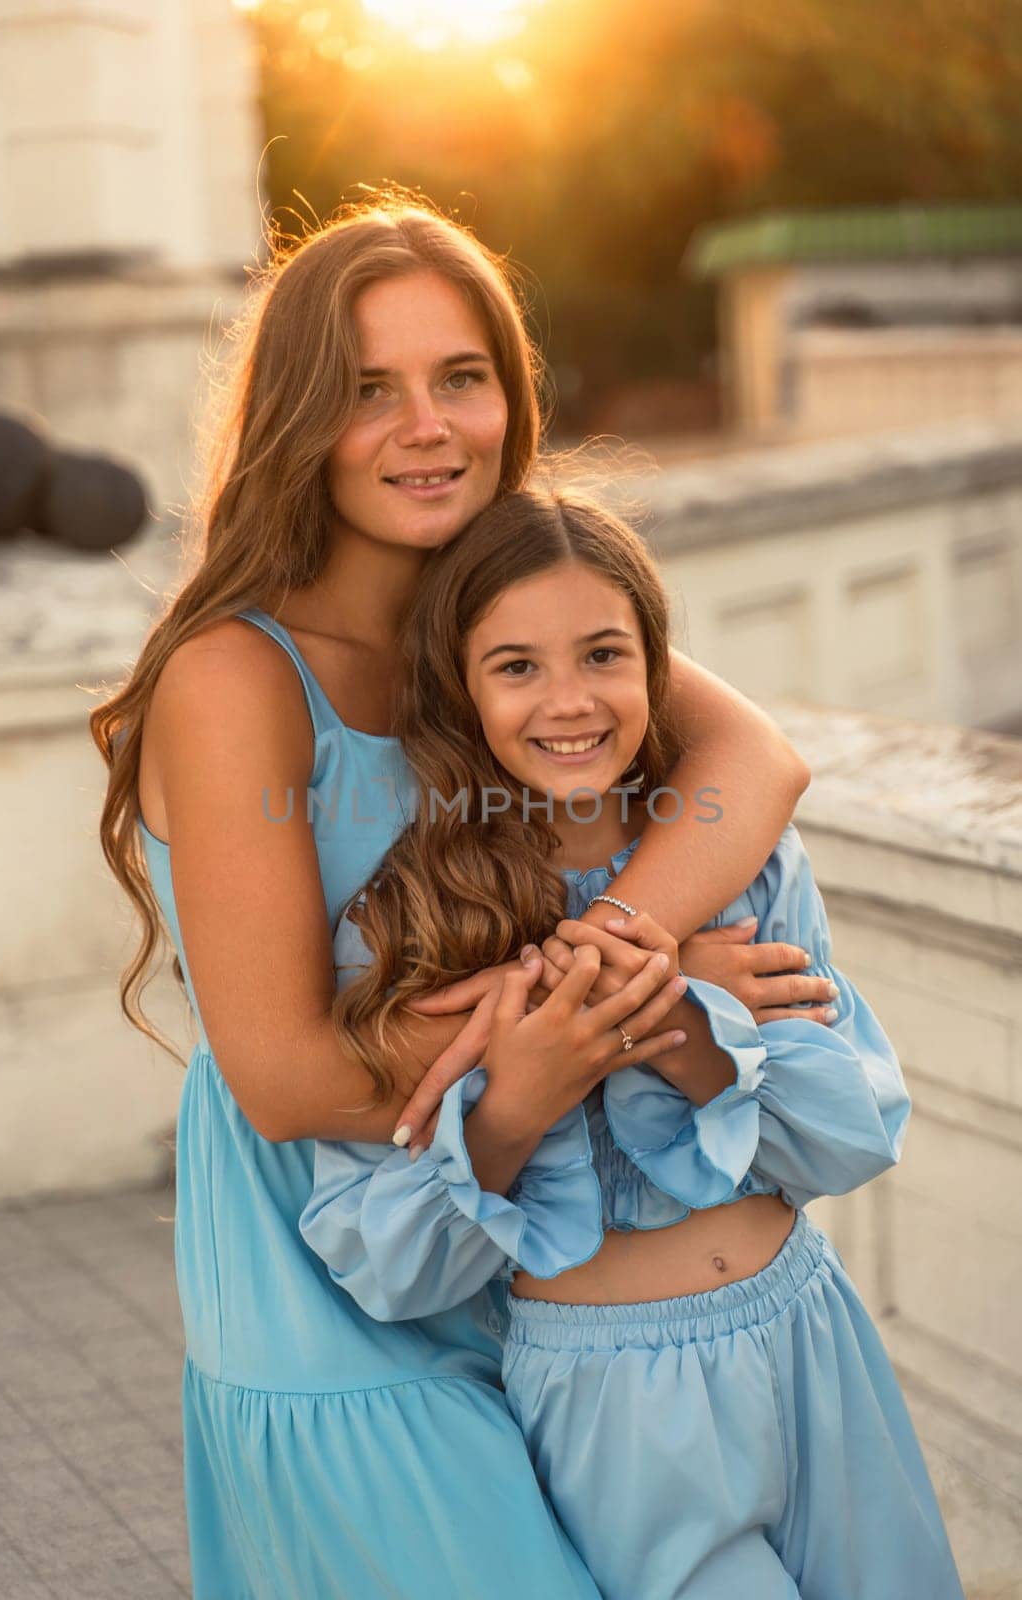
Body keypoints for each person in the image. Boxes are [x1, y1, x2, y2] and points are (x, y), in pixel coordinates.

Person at [91, 194, 816, 1598]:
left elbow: (753, 761)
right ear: (301, 416)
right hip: (324, 1292)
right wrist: (636, 1011)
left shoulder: (493, 616)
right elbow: (290, 1078)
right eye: (370, 390)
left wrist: (614, 958)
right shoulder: (235, 679)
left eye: (460, 377)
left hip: (516, 1246)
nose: (428, 425)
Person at [301, 490, 964, 1600]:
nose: (568, 701)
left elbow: (853, 1130)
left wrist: (676, 1024)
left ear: (656, 665)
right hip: (615, 1400)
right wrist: (520, 1095)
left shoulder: (739, 858)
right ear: (456, 688)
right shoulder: (409, 919)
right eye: (514, 665)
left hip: (809, 1332)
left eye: (602, 653)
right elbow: (381, 1258)